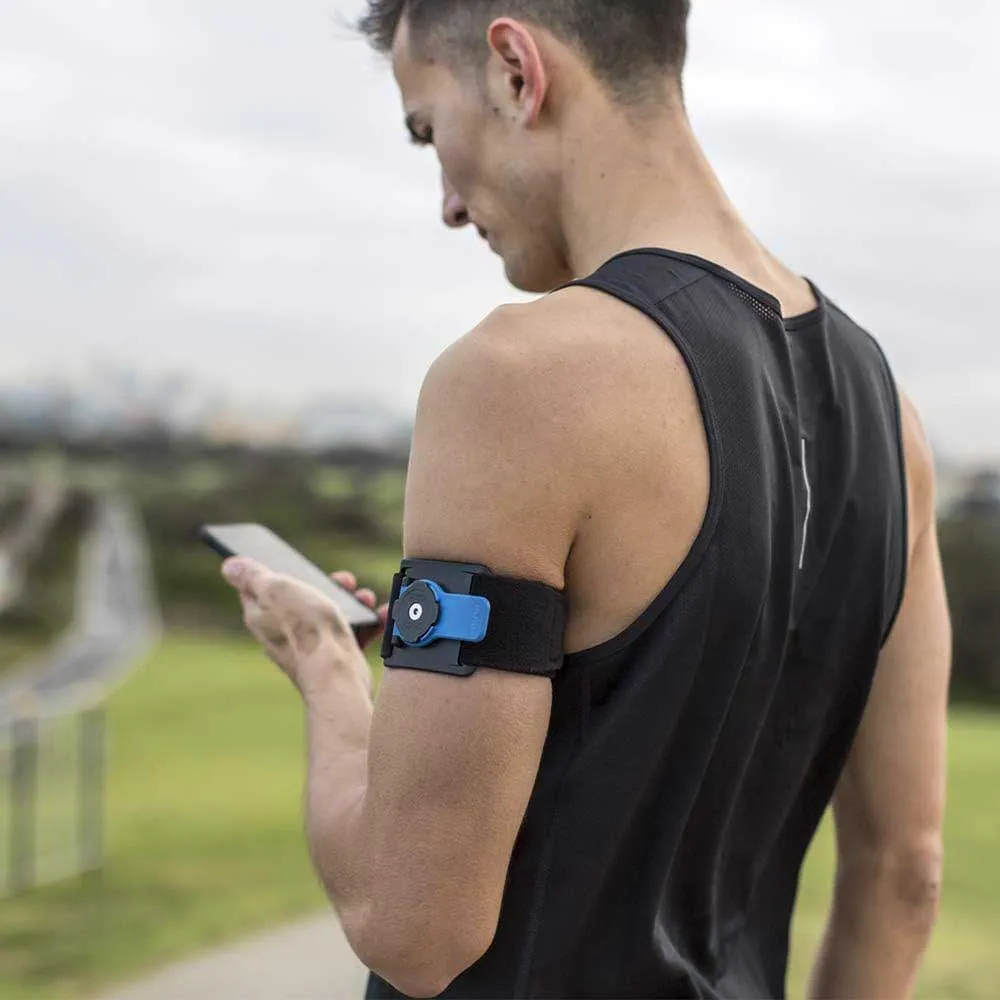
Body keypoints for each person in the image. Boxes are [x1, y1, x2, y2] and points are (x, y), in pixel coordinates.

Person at [221, 2, 952, 997]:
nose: (446, 203)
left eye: (429, 131)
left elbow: (412, 923)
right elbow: (905, 875)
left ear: (516, 71)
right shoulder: (889, 417)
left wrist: (326, 672)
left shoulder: (521, 378)